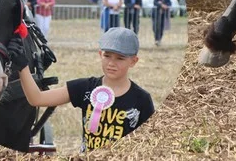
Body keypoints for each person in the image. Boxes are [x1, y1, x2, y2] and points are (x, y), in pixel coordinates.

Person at [10, 27, 154, 152]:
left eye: (120, 58)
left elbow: (149, 144)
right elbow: (37, 99)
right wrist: (22, 66)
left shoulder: (142, 100)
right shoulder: (85, 87)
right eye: (107, 56)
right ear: (100, 55)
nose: (111, 63)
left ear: (133, 61)